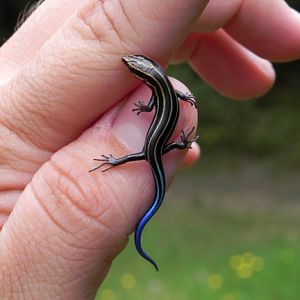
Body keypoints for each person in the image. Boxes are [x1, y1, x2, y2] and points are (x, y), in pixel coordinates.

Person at [0, 0, 299, 298]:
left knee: (141, 154)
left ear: (145, 74)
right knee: (148, 153)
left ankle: (119, 161)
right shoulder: (162, 88)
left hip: (152, 147)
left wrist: (124, 153)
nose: (129, 66)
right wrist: (175, 135)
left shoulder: (159, 90)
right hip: (159, 143)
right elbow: (167, 100)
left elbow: (160, 105)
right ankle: (132, 159)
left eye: (133, 66)